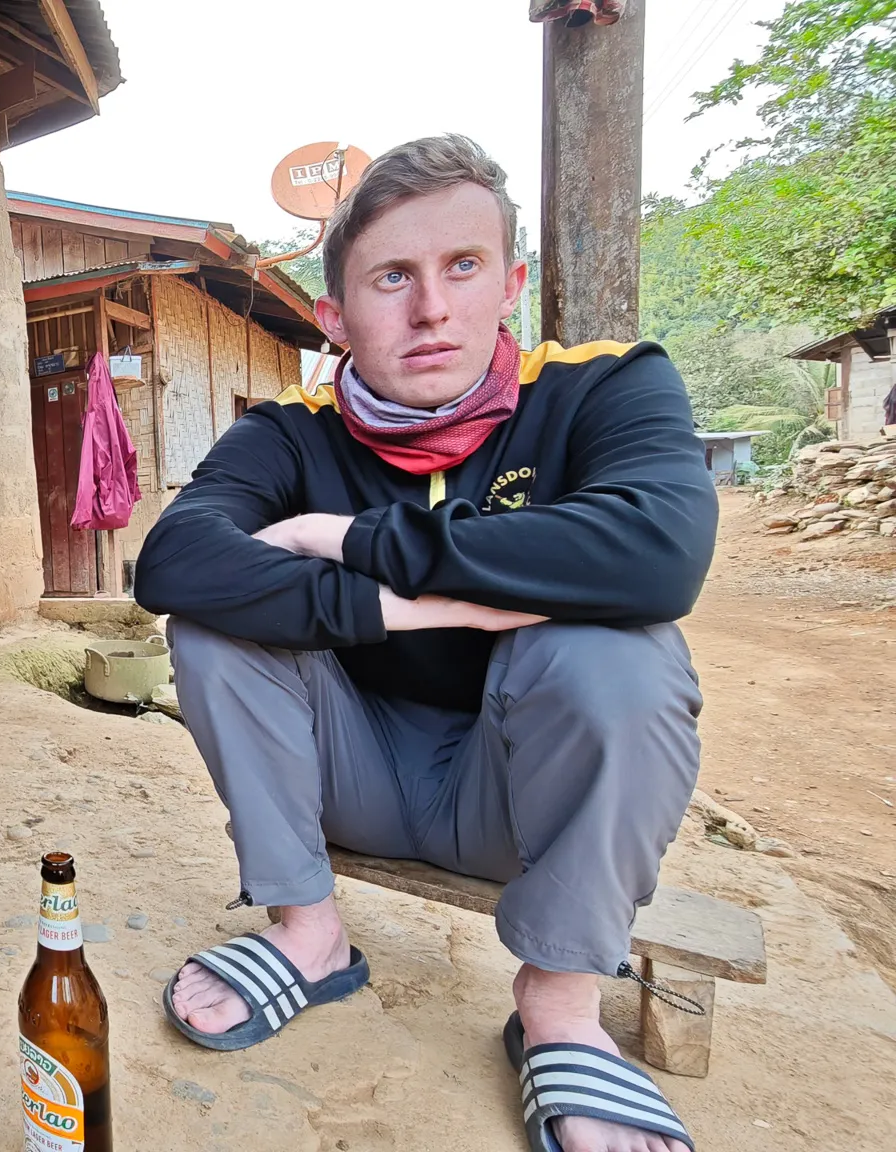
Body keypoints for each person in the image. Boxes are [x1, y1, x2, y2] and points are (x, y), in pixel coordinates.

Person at [136, 136, 715, 1152]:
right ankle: (307, 934)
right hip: (343, 777)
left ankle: (560, 1011)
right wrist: (422, 604)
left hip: (517, 793)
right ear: (334, 316)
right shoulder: (289, 431)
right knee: (210, 629)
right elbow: (175, 564)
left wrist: (350, 540)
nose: (430, 309)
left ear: (509, 282)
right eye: (390, 277)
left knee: (615, 651)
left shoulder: (599, 387)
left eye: (461, 267)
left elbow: (658, 554)